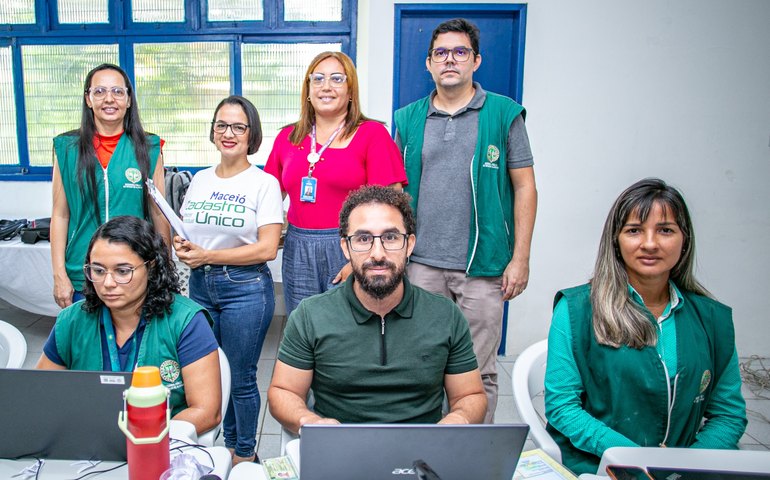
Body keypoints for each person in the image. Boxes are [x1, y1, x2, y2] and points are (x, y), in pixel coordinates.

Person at [544, 178, 747, 474]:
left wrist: (685, 466)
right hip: (599, 465)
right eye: (634, 230)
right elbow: (562, 407)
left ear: (684, 240)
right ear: (616, 240)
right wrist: (635, 459)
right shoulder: (575, 309)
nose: (649, 244)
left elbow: (728, 415)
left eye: (665, 230)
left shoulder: (711, 319)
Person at [393, 18, 537, 423]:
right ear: (429, 63)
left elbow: (525, 188)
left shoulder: (505, 114)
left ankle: (471, 456)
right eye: (441, 53)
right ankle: (425, 450)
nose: (449, 60)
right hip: (421, 265)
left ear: (476, 60)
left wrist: (520, 258)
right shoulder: (407, 119)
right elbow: (395, 192)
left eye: (459, 52)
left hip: (484, 266)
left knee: (478, 371)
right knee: (423, 366)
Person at [268, 185, 486, 433]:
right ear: (345, 248)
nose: (378, 253)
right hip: (341, 451)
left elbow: (471, 396)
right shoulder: (310, 316)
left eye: (391, 238)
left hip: (424, 453)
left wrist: (458, 419)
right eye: (363, 239)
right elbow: (283, 391)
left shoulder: (445, 315)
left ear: (410, 244)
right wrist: (310, 421)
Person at [174, 95, 283, 465]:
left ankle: (242, 453)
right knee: (208, 373)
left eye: (238, 126)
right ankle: (221, 444)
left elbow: (267, 249)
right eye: (221, 125)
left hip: (245, 289)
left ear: (251, 133)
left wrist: (208, 255)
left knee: (240, 376)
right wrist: (184, 247)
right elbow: (192, 232)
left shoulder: (263, 183)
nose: (228, 133)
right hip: (200, 285)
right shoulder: (201, 179)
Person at [37, 216, 221, 435]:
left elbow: (206, 412)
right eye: (98, 270)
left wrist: (135, 435)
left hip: (162, 447)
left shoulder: (186, 321)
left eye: (123, 271)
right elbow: (41, 395)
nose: (108, 283)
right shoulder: (72, 320)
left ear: (151, 268)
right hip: (87, 444)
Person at [265, 51, 407, 316]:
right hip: (298, 247)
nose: (326, 86)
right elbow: (266, 196)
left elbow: (392, 206)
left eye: (337, 79)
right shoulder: (287, 137)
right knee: (304, 324)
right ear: (307, 90)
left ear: (351, 91)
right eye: (317, 79)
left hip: (351, 245)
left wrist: (360, 258)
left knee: (350, 327)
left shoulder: (371, 134)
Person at [51, 63, 169, 309]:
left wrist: (164, 269)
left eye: (117, 91)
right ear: (88, 99)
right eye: (100, 91)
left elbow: (159, 212)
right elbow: (61, 215)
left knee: (135, 345)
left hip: (134, 270)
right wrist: (59, 274)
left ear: (128, 100)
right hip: (82, 271)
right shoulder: (66, 148)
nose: (109, 99)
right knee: (87, 345)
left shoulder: (149, 147)